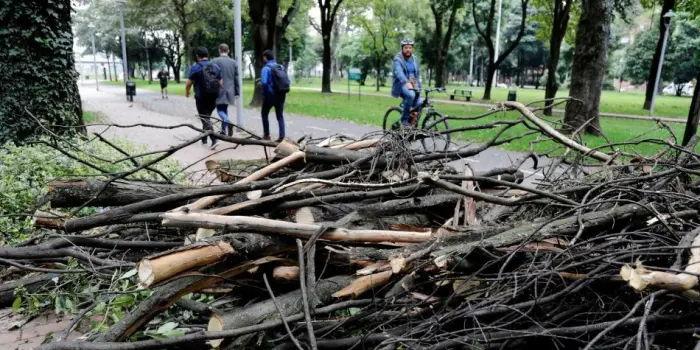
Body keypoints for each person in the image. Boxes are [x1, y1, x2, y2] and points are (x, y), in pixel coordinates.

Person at [185, 47, 222, 150]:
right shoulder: (216, 67)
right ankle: (204, 138)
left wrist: (187, 92)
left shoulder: (196, 67)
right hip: (213, 96)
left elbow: (189, 83)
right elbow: (220, 82)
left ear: (198, 56)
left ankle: (214, 139)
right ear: (207, 55)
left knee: (204, 118)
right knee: (207, 117)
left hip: (201, 97)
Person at [391, 38, 422, 127]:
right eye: (406, 48)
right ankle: (404, 120)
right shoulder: (398, 59)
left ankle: (413, 124)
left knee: (420, 103)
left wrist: (419, 85)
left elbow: (417, 74)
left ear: (412, 49)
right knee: (411, 95)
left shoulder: (415, 59)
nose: (408, 49)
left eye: (410, 47)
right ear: (402, 49)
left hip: (413, 84)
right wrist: (406, 81)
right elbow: (398, 72)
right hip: (401, 85)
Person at [260, 50, 290, 142]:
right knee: (280, 115)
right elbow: (288, 81)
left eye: (263, 57)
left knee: (264, 113)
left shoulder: (266, 68)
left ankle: (267, 135)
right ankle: (282, 136)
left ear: (265, 57)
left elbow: (264, 82)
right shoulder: (281, 67)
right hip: (281, 94)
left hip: (270, 95)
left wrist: (266, 92)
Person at [212, 43, 240, 136]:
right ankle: (223, 130)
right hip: (230, 90)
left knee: (219, 109)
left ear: (219, 51)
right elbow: (236, 78)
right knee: (224, 109)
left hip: (218, 89)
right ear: (228, 51)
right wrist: (237, 91)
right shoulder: (233, 62)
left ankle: (227, 121)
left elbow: (212, 76)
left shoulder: (215, 61)